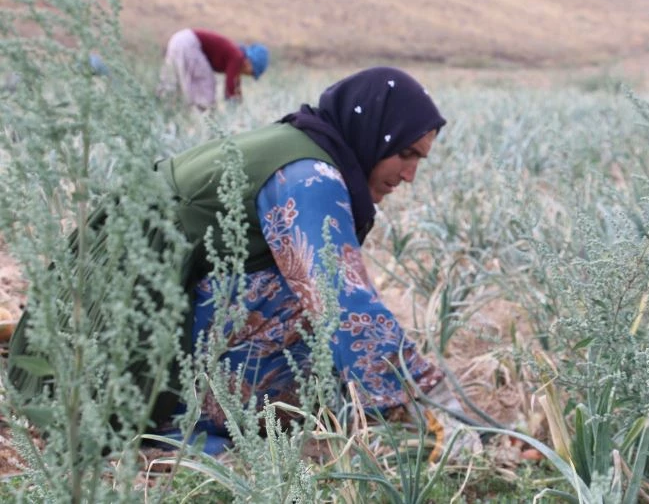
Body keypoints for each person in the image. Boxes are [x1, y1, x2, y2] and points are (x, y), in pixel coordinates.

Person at [9, 66, 481, 461]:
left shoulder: (301, 147)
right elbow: (341, 300)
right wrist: (430, 400)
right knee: (314, 303)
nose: (411, 175)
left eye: (420, 160)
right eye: (404, 153)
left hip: (118, 308)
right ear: (373, 131)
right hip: (127, 330)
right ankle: (183, 421)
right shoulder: (308, 175)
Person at [156, 28, 268, 110]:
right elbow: (231, 85)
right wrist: (234, 109)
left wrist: (237, 98)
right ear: (249, 63)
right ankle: (205, 121)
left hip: (178, 39)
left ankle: (162, 109)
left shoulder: (235, 55)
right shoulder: (237, 57)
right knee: (206, 85)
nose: (249, 75)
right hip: (189, 43)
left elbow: (235, 83)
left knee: (171, 83)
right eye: (252, 72)